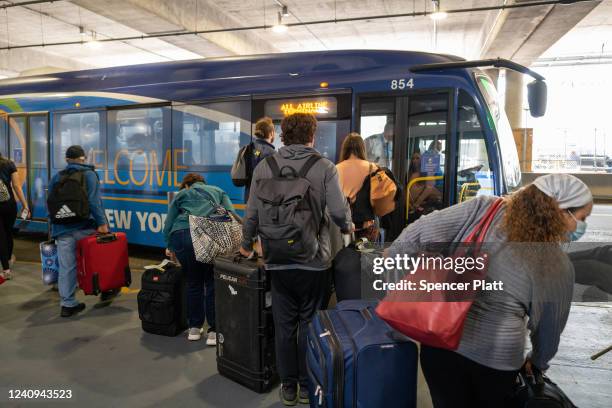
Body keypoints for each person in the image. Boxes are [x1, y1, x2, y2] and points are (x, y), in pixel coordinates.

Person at [387, 173, 593, 408]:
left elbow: (410, 240)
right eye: (581, 217)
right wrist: (537, 363)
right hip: (496, 363)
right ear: (561, 212)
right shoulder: (556, 264)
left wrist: (403, 288)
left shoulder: (483, 209)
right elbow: (548, 329)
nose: (581, 226)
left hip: (440, 345)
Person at [240, 113, 352, 406]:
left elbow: (251, 214)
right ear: (312, 136)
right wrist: (348, 227)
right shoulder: (324, 167)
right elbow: (339, 213)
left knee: (284, 325)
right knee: (309, 323)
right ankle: (306, 385)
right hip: (315, 260)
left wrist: (245, 245)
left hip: (277, 259)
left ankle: (288, 387)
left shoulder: (266, 166)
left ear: (283, 136)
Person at [164, 173, 236, 345]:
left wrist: (169, 245)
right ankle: (214, 330)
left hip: (182, 235)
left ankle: (194, 328)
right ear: (203, 182)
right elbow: (231, 214)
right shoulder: (218, 190)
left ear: (187, 184)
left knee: (192, 282)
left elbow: (169, 222)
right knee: (211, 282)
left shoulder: (182, 194)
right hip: (209, 237)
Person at [49, 145, 110, 318]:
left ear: (67, 160)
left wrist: (54, 228)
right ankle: (106, 287)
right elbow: (94, 202)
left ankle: (68, 304)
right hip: (85, 227)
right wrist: (102, 224)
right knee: (98, 259)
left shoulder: (57, 177)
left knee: (67, 267)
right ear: (83, 158)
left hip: (62, 229)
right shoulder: (89, 175)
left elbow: (50, 205)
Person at [336, 132, 379, 241]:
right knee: (366, 256)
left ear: (344, 149)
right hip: (366, 225)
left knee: (344, 257)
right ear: (362, 148)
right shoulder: (372, 167)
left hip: (343, 226)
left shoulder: (335, 169)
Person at [0, 153, 28, 281]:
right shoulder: (9, 164)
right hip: (9, 205)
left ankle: (6, 270)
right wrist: (25, 204)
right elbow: (16, 186)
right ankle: (9, 259)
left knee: (1, 236)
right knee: (8, 233)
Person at [244, 117, 276, 201]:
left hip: (249, 195)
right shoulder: (271, 153)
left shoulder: (249, 148)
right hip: (265, 198)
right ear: (271, 133)